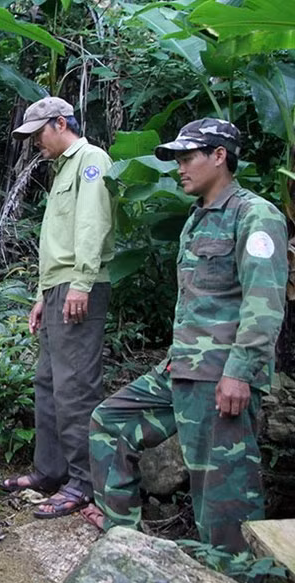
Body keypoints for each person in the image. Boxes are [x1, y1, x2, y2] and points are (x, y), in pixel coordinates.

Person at [85, 119, 288, 554]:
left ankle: (233, 576)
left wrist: (239, 373)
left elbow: (264, 303)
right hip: (183, 370)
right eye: (177, 159)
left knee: (221, 495)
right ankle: (125, 543)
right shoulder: (197, 219)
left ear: (220, 156)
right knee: (110, 421)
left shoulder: (255, 215)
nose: (180, 167)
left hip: (221, 378)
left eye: (188, 157)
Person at [0, 97, 115, 519]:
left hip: (79, 287)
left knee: (75, 387)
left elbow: (92, 226)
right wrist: (43, 295)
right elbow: (58, 241)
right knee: (47, 383)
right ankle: (50, 471)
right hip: (58, 289)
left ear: (61, 123)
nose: (35, 145)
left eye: (38, 135)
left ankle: (84, 483)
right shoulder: (64, 167)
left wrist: (80, 283)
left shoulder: (91, 161)